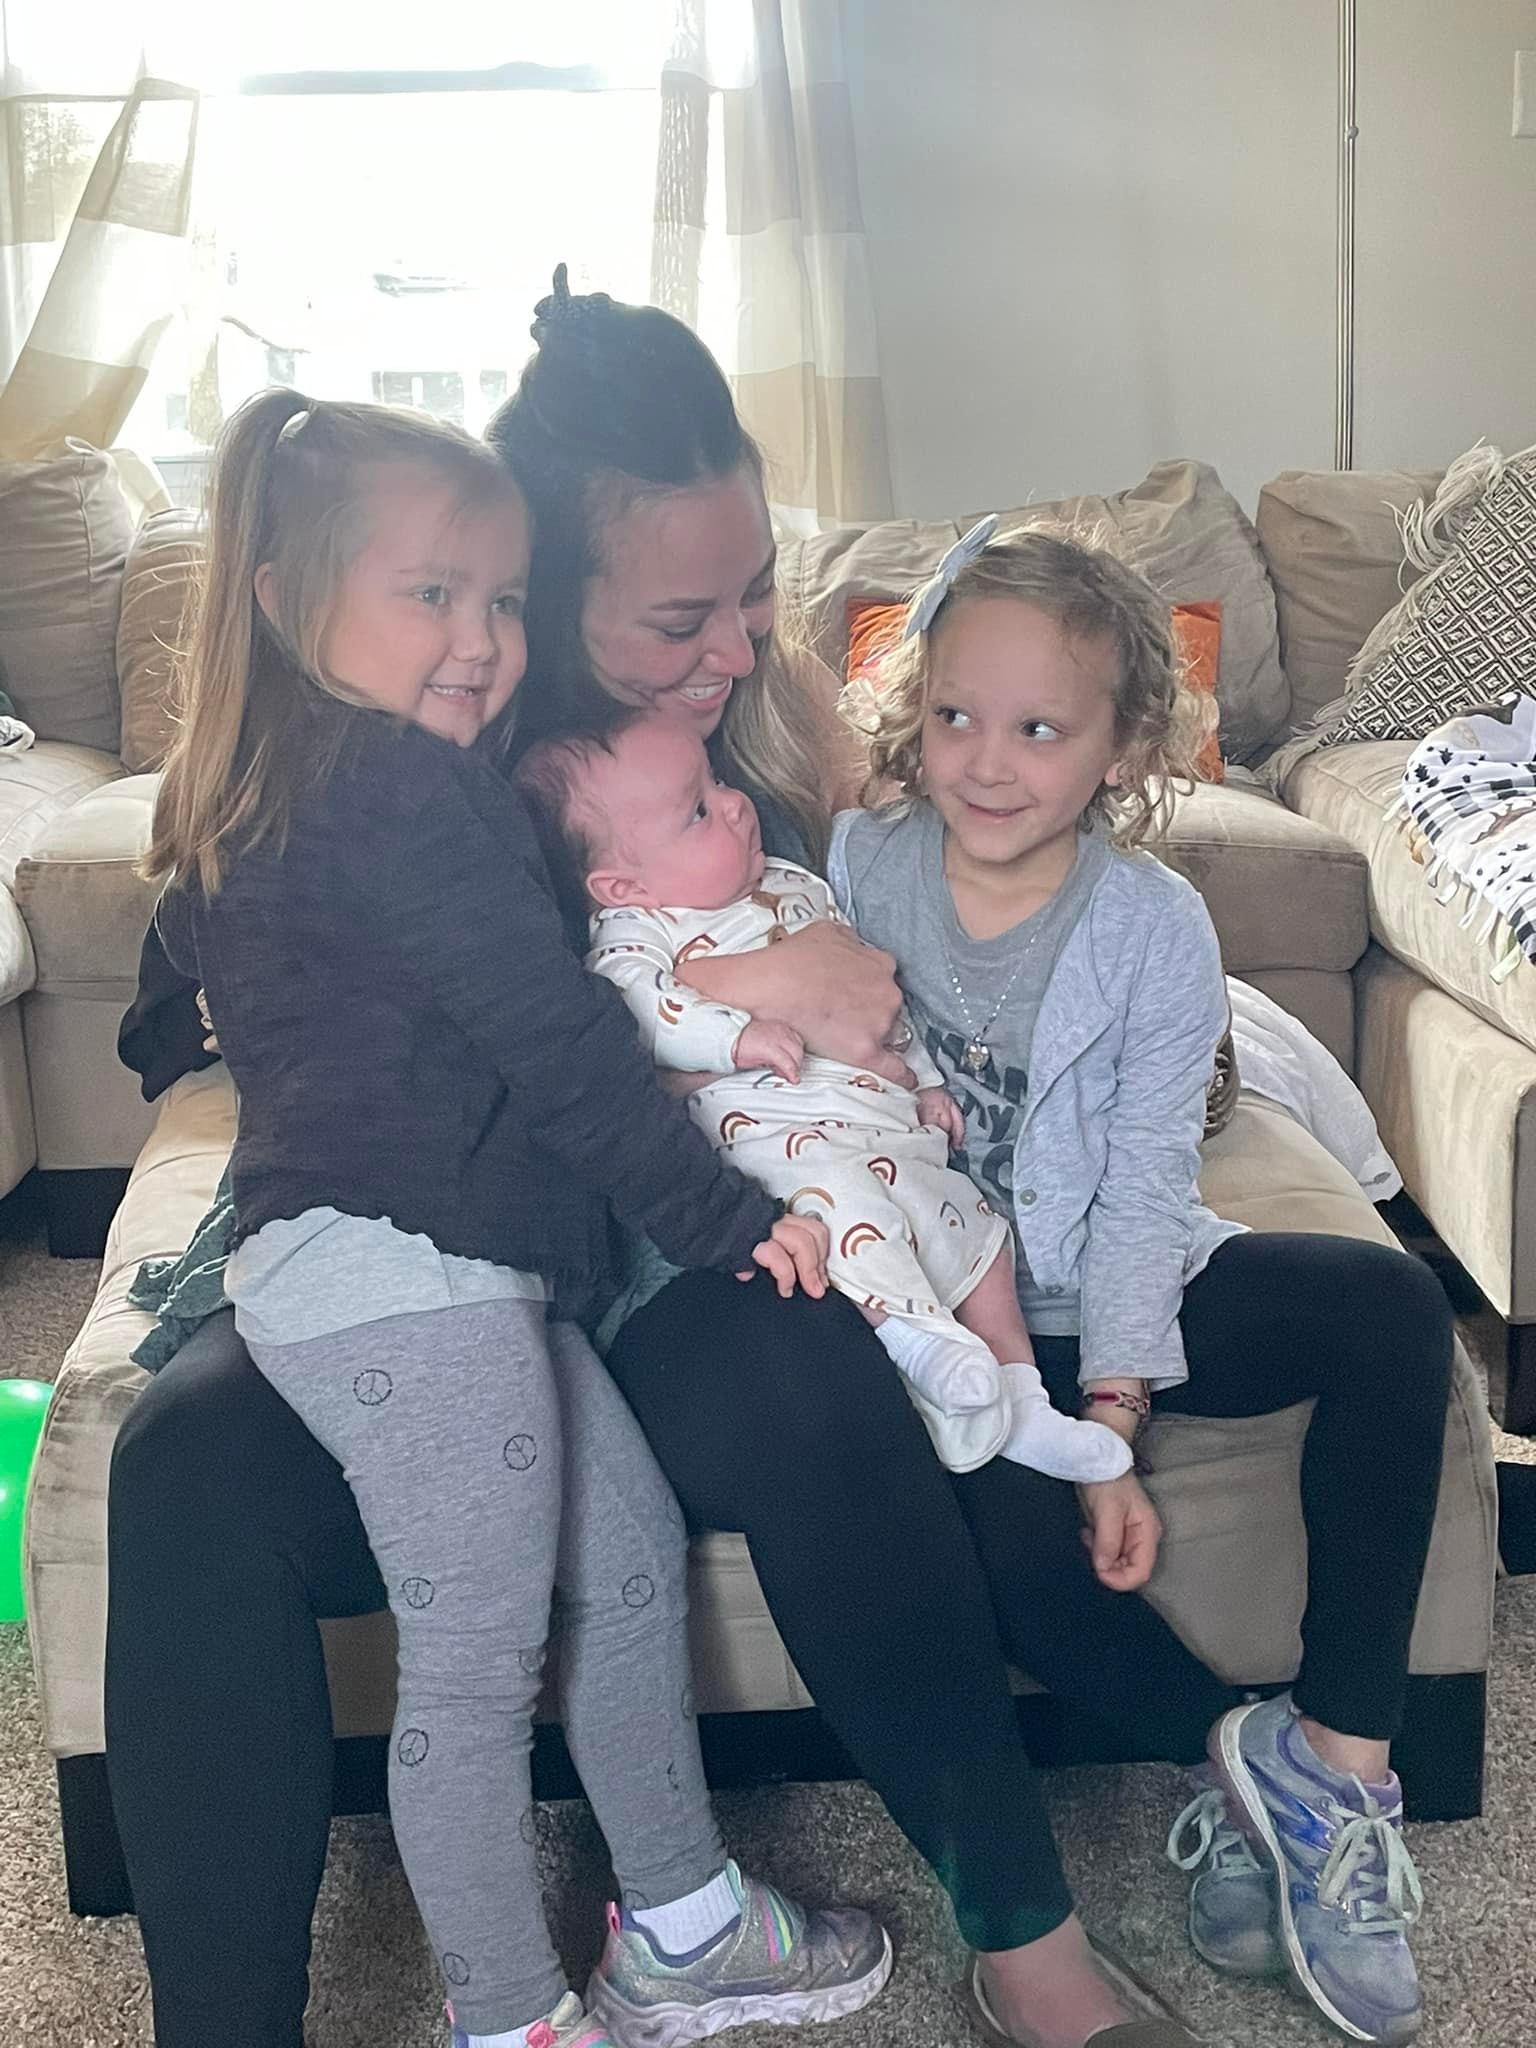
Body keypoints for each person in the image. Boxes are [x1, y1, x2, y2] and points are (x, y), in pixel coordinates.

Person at [108, 270, 1452, 2048]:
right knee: (182, 1465)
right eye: (685, 615)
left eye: (756, 592)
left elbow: (923, 974)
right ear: (544, 594)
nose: (742, 647)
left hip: (732, 1218)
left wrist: (847, 1017)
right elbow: (227, 948)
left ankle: (1057, 1916)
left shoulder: (756, 736)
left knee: (841, 1363)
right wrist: (719, 994)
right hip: (473, 1236)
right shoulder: (419, 742)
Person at [122, 385, 891, 2048]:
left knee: (625, 1562)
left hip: (457, 1264)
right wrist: (718, 1212)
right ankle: (513, 2016)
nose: (477, 639)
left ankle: (682, 1922)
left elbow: (218, 956)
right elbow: (556, 1035)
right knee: (473, 1672)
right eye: (429, 594)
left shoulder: (308, 772)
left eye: (501, 598)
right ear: (284, 595)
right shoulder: (405, 790)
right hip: (401, 1273)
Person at [834, 519, 1448, 2047]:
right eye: (957, 715)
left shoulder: (1154, 924)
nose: (987, 763)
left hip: (1117, 1283)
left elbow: (1141, 1189)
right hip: (949, 1327)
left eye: (1041, 730)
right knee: (1015, 1562)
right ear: (914, 710)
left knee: (1388, 1307)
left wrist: (1114, 1411)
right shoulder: (856, 867)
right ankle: (1248, 1773)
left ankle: (1344, 1760)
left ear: (1121, 749)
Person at [517, 705, 1130, 1483]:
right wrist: (735, 1039)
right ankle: (923, 1350)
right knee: (844, 1216)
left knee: (980, 1236)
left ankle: (1023, 1398)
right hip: (786, 1145)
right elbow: (637, 1010)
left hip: (886, 1126)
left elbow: (878, 997)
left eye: (719, 781)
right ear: (620, 883)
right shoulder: (639, 932)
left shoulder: (793, 884)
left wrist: (930, 1084)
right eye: (697, 811)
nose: (735, 805)